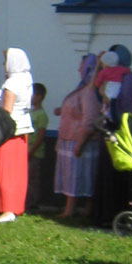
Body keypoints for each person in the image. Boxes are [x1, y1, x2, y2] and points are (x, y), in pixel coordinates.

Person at [53, 54, 101, 220]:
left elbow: (89, 120)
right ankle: (73, 209)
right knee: (72, 175)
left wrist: (79, 144)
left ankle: (71, 210)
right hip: (70, 138)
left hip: (79, 140)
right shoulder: (83, 88)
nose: (79, 69)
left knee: (79, 176)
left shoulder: (89, 91)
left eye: (82, 66)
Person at [0, 47, 34, 222]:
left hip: (9, 132)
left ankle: (7, 209)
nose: (3, 65)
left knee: (5, 170)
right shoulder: (26, 79)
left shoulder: (12, 83)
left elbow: (6, 111)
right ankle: (15, 206)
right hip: (22, 129)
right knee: (17, 172)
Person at [26, 84, 48, 212]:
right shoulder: (29, 112)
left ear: (39, 97)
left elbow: (41, 136)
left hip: (34, 152)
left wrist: (32, 151)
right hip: (25, 150)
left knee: (32, 179)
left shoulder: (41, 115)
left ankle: (32, 203)